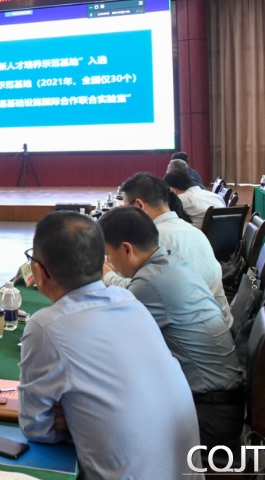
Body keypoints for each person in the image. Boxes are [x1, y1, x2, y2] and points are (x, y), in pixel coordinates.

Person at [19, 211, 202, 479]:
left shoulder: (45, 326)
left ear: (39, 271)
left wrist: (72, 420)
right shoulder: (128, 300)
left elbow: (36, 428)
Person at [98, 207, 245, 450]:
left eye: (108, 255)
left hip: (208, 416)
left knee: (102, 420)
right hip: (221, 399)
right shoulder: (172, 261)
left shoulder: (148, 284)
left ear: (126, 249)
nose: (109, 263)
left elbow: (111, 342)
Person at [110, 172, 233, 328]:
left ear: (140, 205)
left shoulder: (155, 238)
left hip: (193, 330)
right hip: (219, 323)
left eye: (126, 209)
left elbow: (136, 291)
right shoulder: (193, 231)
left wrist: (107, 274)